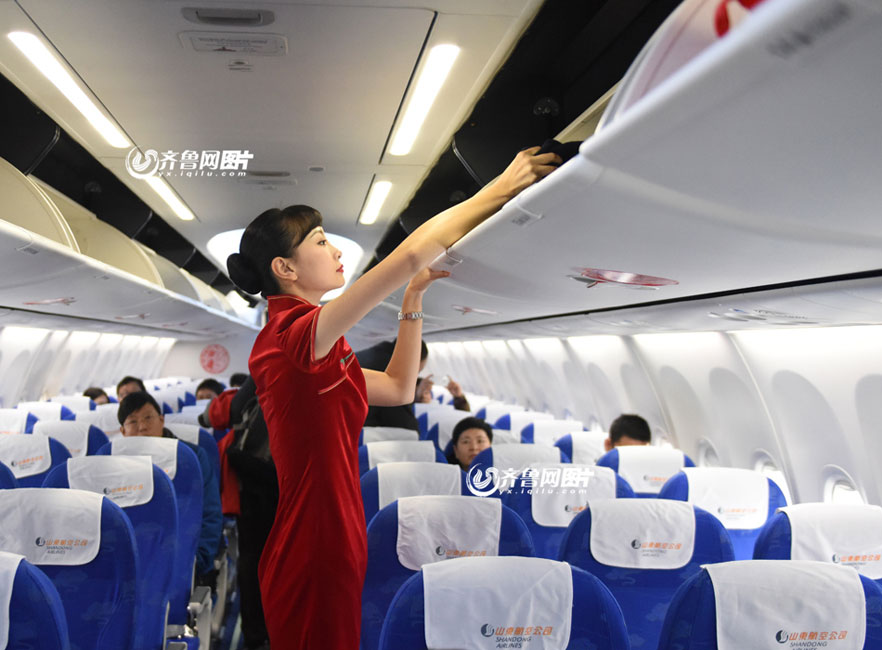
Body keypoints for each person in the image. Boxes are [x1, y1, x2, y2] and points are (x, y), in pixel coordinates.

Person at [226, 146, 557, 649]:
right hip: (314, 545)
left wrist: (413, 300)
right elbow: (409, 255)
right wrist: (502, 187)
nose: (337, 252)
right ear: (285, 268)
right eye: (321, 242)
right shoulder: (292, 338)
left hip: (336, 531)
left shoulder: (318, 347)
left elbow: (400, 387)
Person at [117, 391, 223, 577]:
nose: (142, 427)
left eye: (148, 418)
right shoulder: (113, 465)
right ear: (123, 432)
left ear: (161, 420)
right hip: (128, 562)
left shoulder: (192, 458)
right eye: (132, 422)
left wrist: (196, 562)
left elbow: (210, 513)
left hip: (183, 557)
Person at [356, 340, 429, 430]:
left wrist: (415, 396)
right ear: (412, 363)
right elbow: (405, 425)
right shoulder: (388, 369)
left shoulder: (377, 354)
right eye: (416, 372)